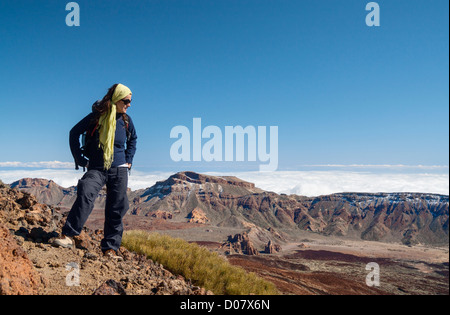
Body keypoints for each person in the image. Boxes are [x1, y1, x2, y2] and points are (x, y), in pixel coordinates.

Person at [53, 83, 137, 258]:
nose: (129, 104)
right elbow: (74, 132)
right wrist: (79, 159)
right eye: (127, 101)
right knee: (85, 192)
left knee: (117, 207)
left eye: (130, 101)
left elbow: (133, 140)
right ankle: (68, 235)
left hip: (119, 170)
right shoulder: (97, 117)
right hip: (97, 167)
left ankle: (110, 249)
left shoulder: (126, 121)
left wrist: (128, 160)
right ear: (116, 99)